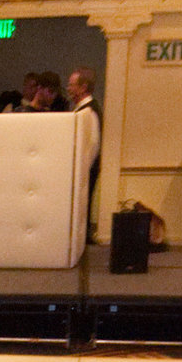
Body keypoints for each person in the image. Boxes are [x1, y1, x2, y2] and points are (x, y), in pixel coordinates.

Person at [67, 66, 102, 245]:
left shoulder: (89, 111)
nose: (68, 88)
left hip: (86, 168)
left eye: (72, 85)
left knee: (83, 204)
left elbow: (94, 144)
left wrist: (83, 168)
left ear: (83, 87)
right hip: (84, 168)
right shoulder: (83, 109)